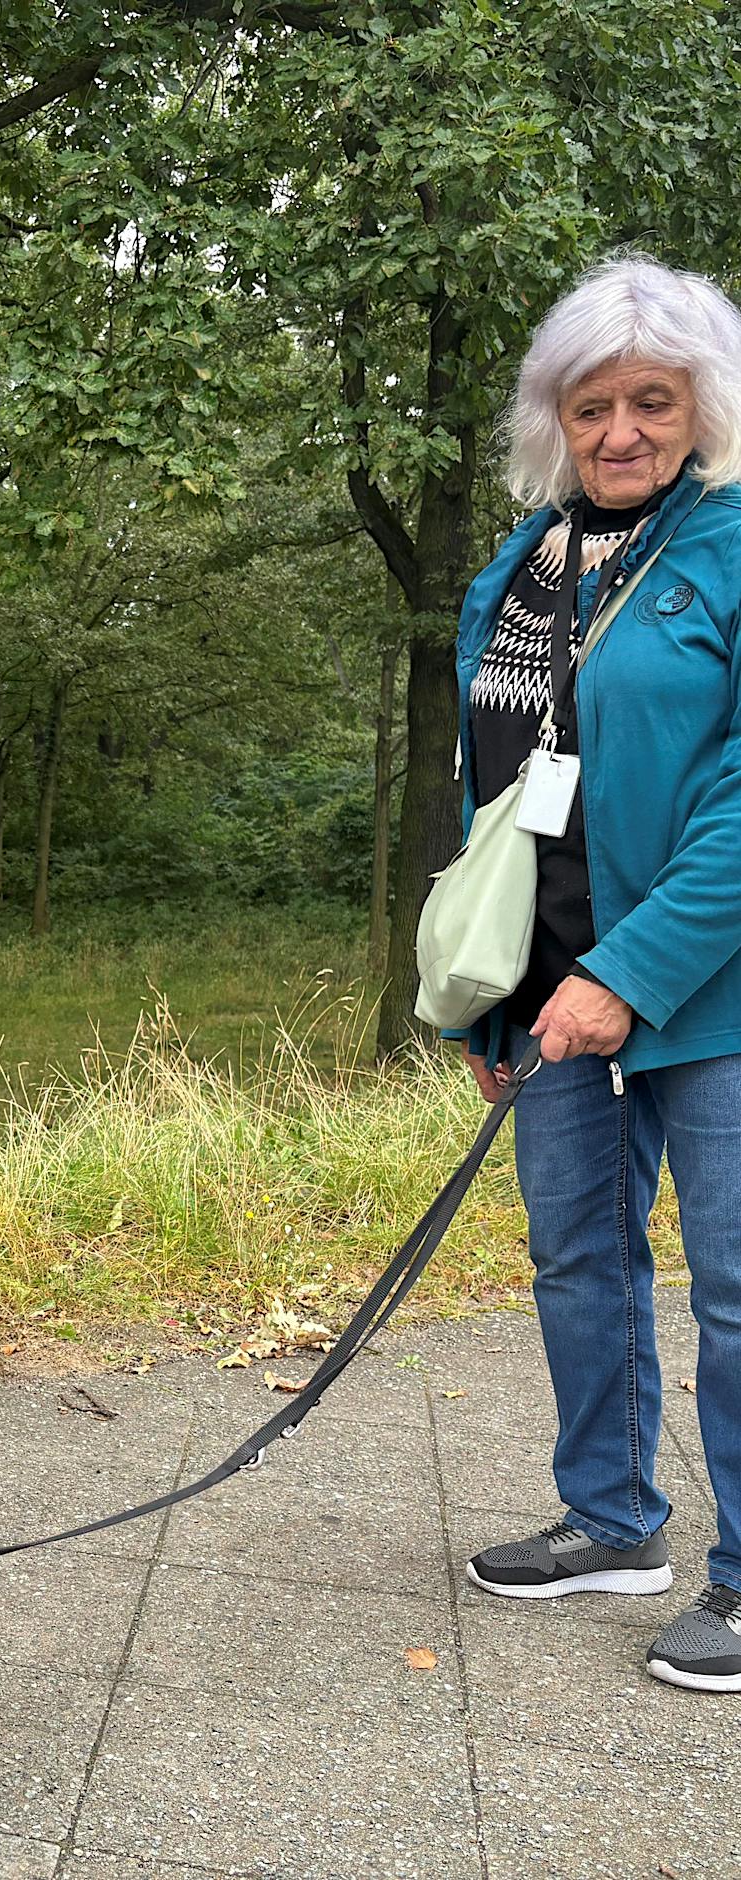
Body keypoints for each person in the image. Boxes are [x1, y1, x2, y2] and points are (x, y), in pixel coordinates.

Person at [449, 254, 741, 1693]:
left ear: (703, 408)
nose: (620, 430)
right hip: (549, 993)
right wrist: (493, 980)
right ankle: (616, 1521)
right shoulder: (521, 569)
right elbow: (494, 791)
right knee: (579, 1258)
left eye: (652, 400)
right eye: (591, 406)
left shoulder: (734, 552)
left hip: (709, 984)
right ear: (552, 420)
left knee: (737, 1285)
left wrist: (628, 970)